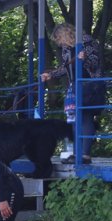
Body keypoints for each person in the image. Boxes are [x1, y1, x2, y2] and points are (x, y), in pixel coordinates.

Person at [40, 23, 103, 164]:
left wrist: (84, 58)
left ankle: (85, 155)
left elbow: (94, 63)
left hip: (90, 85)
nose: (58, 42)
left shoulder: (87, 41)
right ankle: (76, 153)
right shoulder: (66, 49)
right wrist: (51, 75)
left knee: (85, 117)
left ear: (66, 34)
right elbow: (66, 68)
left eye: (59, 38)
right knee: (74, 120)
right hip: (74, 86)